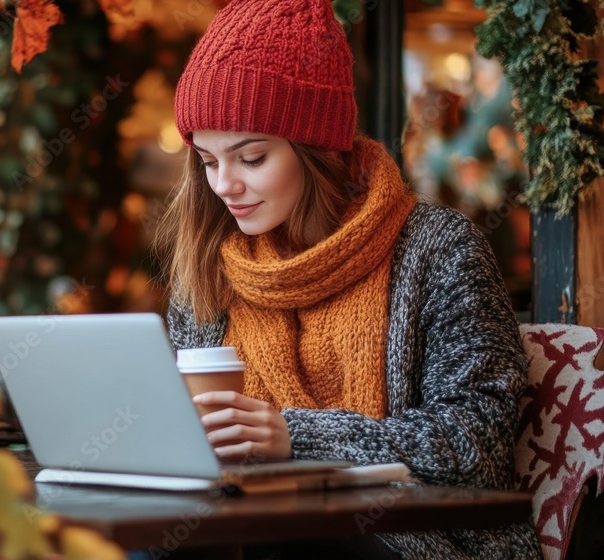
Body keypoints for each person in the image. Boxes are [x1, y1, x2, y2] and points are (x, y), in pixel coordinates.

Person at [152, 0, 542, 558]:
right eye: (209, 162)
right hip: (243, 528)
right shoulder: (211, 267)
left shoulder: (437, 248)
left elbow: (476, 441)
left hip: (419, 539)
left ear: (315, 149)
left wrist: (296, 437)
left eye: (252, 157)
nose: (225, 185)